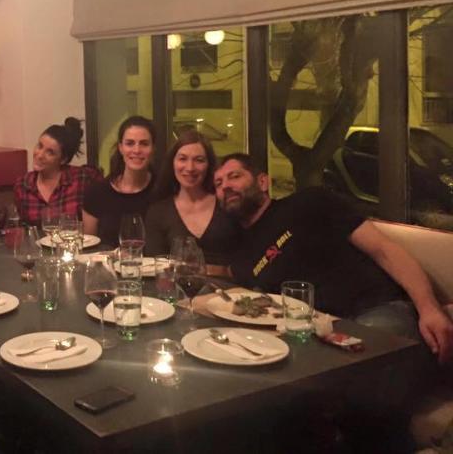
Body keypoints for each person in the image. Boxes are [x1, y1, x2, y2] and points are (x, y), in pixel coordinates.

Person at [213, 153, 453, 361]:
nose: (225, 186)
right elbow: (226, 281)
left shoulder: (310, 202)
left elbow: (384, 250)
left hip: (376, 309)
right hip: (316, 333)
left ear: (263, 182)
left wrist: (429, 307)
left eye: (234, 176)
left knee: (361, 361)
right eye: (218, 183)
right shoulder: (242, 255)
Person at [144, 129, 240, 268]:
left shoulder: (226, 203)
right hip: (177, 282)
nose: (190, 168)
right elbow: (156, 267)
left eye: (199, 160)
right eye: (183, 159)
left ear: (209, 165)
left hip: (230, 282)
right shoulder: (158, 212)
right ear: (173, 163)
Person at [83, 116, 157, 247]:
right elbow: (88, 249)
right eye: (130, 143)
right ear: (120, 148)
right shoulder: (96, 193)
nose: (137, 150)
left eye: (144, 144)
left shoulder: (163, 190)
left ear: (153, 149)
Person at [14, 117, 101, 225]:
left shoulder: (83, 178)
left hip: (74, 236)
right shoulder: (23, 184)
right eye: (40, 146)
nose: (40, 155)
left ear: (63, 159)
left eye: (50, 152)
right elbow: (22, 227)